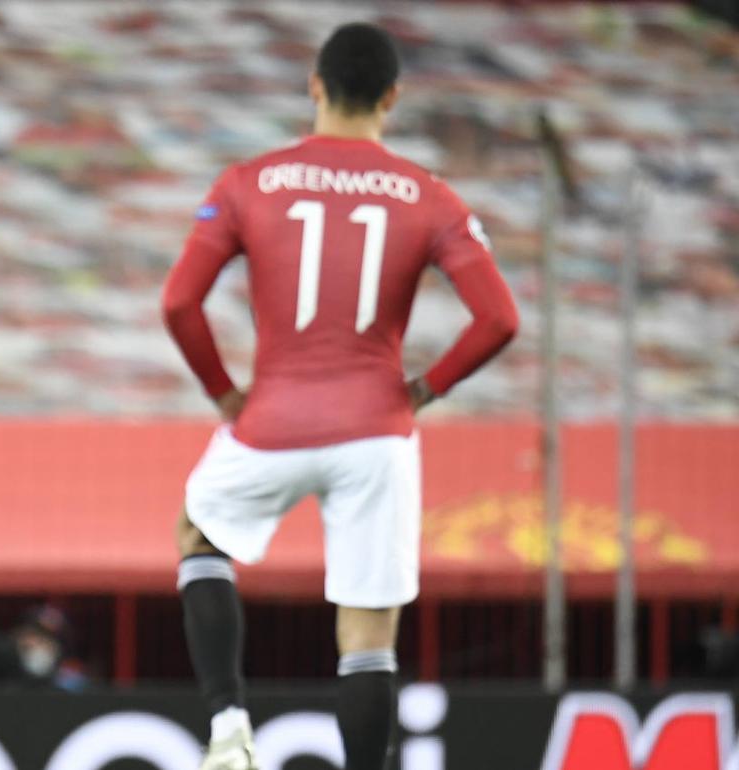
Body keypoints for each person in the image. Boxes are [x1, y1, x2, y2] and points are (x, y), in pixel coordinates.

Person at [162, 23, 519, 770]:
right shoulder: (429, 196)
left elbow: (179, 305)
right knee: (367, 639)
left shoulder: (248, 181)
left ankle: (228, 725)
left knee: (200, 533)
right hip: (376, 431)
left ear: (315, 86)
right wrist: (425, 388)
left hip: (271, 423)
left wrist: (226, 394)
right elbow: (498, 319)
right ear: (392, 97)